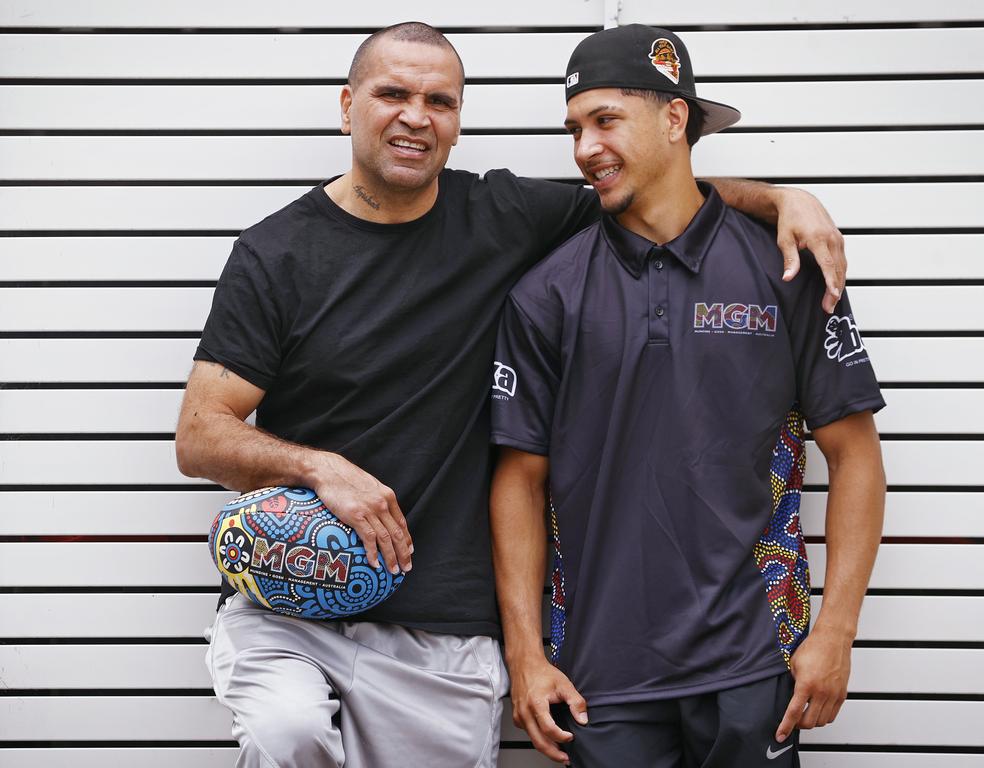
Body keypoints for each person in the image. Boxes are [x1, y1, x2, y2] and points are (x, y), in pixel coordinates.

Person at [175, 21, 852, 768]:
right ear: (346, 106)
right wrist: (319, 469)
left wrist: (783, 198)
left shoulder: (503, 220)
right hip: (295, 605)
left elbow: (658, 194)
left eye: (439, 100)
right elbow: (201, 433)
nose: (415, 115)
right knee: (286, 734)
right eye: (392, 93)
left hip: (444, 626)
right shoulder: (276, 253)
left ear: (458, 123)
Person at [489, 24, 886, 768]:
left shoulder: (785, 271)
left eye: (606, 121)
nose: (583, 149)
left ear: (676, 119)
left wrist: (834, 631)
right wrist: (525, 654)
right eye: (575, 128)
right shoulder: (545, 293)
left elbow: (855, 454)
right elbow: (519, 478)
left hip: (752, 662)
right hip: (598, 676)